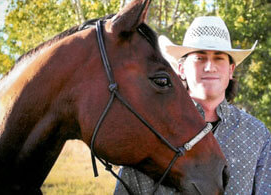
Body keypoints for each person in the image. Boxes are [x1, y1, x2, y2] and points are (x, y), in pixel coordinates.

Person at [114, 16, 271, 194]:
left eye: (219, 58)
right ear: (181, 69)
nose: (210, 67)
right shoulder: (151, 129)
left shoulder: (257, 135)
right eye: (199, 58)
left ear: (231, 70)